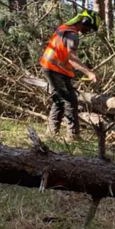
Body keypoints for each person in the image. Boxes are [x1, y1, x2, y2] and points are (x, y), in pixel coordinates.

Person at [39, 9, 100, 139]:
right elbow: (72, 59)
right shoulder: (72, 35)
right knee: (70, 101)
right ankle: (73, 136)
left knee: (59, 100)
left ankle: (51, 133)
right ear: (84, 21)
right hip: (55, 70)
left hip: (50, 67)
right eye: (89, 27)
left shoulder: (64, 28)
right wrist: (89, 73)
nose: (88, 31)